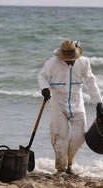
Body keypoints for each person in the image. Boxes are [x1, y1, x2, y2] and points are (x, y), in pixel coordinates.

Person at [38, 39, 103, 174]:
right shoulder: (52, 63)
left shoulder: (83, 62)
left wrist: (98, 102)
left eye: (72, 58)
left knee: (79, 137)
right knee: (60, 136)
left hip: (77, 103)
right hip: (58, 103)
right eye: (67, 59)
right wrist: (45, 88)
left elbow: (91, 82)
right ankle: (61, 169)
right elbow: (42, 76)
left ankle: (69, 163)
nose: (70, 61)